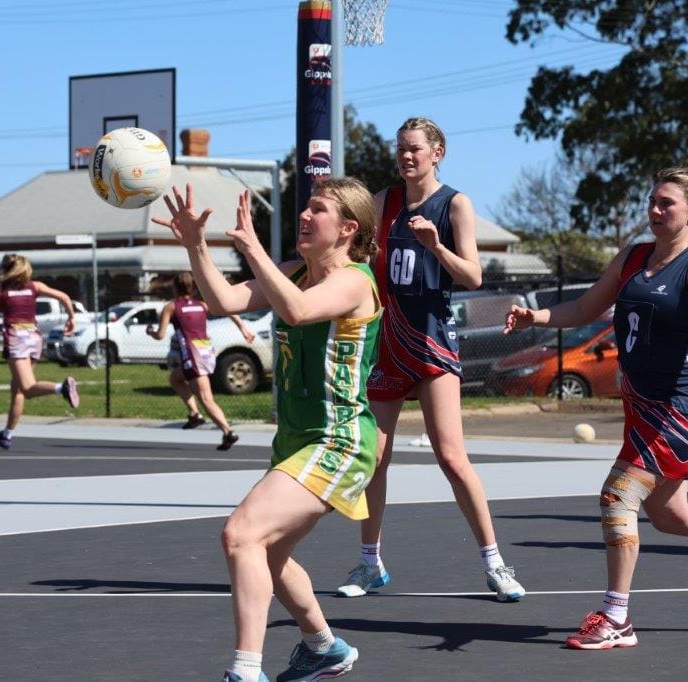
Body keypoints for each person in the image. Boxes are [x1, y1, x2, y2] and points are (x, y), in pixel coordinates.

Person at [154, 179, 378, 681]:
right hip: (298, 441)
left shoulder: (355, 281)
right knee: (269, 554)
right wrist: (195, 245)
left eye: (317, 209)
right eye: (305, 207)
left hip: (338, 439)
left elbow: (298, 312)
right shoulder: (294, 273)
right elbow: (224, 301)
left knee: (241, 535)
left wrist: (253, 247)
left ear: (347, 228)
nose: (304, 215)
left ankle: (245, 671)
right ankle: (323, 647)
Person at [506, 167, 688, 649]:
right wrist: (535, 315)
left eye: (667, 203)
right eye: (653, 201)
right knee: (670, 517)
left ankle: (616, 617)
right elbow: (582, 310)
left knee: (618, 496)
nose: (656, 210)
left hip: (682, 406)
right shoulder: (634, 257)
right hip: (643, 405)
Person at [337, 117, 525, 601]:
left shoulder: (454, 203)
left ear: (437, 152)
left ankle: (495, 563)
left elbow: (474, 276)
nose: (406, 156)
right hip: (388, 344)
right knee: (374, 458)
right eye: (400, 148)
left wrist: (435, 245)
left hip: (432, 343)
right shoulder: (384, 202)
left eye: (415, 149)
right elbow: (359, 256)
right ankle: (368, 562)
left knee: (451, 456)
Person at [147, 272, 254, 449]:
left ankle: (228, 432)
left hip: (192, 356)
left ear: (175, 287)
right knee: (176, 378)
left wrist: (150, 331)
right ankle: (194, 414)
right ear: (193, 288)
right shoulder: (202, 305)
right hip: (206, 352)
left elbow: (160, 335)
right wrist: (243, 328)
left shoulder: (172, 307)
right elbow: (226, 308)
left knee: (206, 398)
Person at [0, 254, 80, 449]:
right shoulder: (34, 286)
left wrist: (3, 327)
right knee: (18, 388)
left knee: (27, 388)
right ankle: (6, 434)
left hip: (16, 337)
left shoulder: (0, 287)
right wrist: (71, 318)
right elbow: (63, 296)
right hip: (34, 337)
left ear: (5, 270)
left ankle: (62, 388)